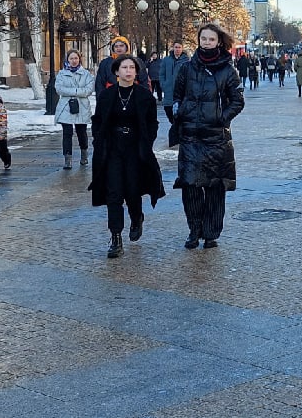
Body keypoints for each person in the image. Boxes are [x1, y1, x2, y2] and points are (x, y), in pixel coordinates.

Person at [169, 23, 244, 249]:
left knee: (214, 187)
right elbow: (176, 95)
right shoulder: (187, 68)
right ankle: (194, 230)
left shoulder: (228, 70)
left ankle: (211, 233)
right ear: (198, 40)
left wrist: (221, 118)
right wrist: (180, 112)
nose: (207, 43)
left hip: (216, 138)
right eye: (204, 39)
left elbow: (238, 101)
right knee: (190, 185)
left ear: (218, 41)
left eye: (212, 39)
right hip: (190, 136)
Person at [90, 55, 165, 258]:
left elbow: (152, 123)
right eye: (124, 67)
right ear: (117, 71)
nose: (128, 71)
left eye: (132, 67)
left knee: (132, 190)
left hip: (135, 149)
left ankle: (136, 217)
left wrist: (147, 142)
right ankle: (116, 237)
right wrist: (98, 140)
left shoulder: (144, 96)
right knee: (114, 193)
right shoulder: (107, 95)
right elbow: (98, 120)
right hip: (113, 148)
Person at [55, 50, 95, 168]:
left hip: (82, 106)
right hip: (65, 106)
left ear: (79, 59)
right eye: (71, 58)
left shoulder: (86, 74)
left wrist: (71, 91)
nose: (74, 61)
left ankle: (84, 156)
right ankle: (67, 160)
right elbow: (59, 89)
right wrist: (78, 91)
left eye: (76, 58)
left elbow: (89, 90)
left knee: (81, 132)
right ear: (67, 60)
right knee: (67, 133)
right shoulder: (62, 74)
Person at [153, 41, 188, 120]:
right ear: (173, 48)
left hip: (182, 93)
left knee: (180, 117)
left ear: (182, 48)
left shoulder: (186, 61)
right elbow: (161, 74)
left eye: (179, 47)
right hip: (168, 91)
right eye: (176, 47)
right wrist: (163, 85)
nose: (177, 49)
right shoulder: (166, 60)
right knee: (169, 113)